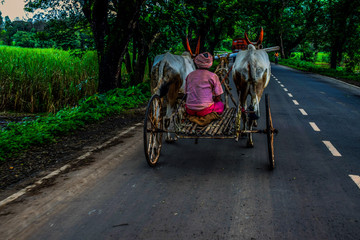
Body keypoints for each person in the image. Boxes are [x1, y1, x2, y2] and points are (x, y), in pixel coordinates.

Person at [185, 52, 224, 119]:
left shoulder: (189, 75)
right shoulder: (213, 76)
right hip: (205, 110)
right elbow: (218, 97)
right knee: (221, 105)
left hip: (190, 109)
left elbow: (186, 93)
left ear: (197, 62)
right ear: (210, 63)